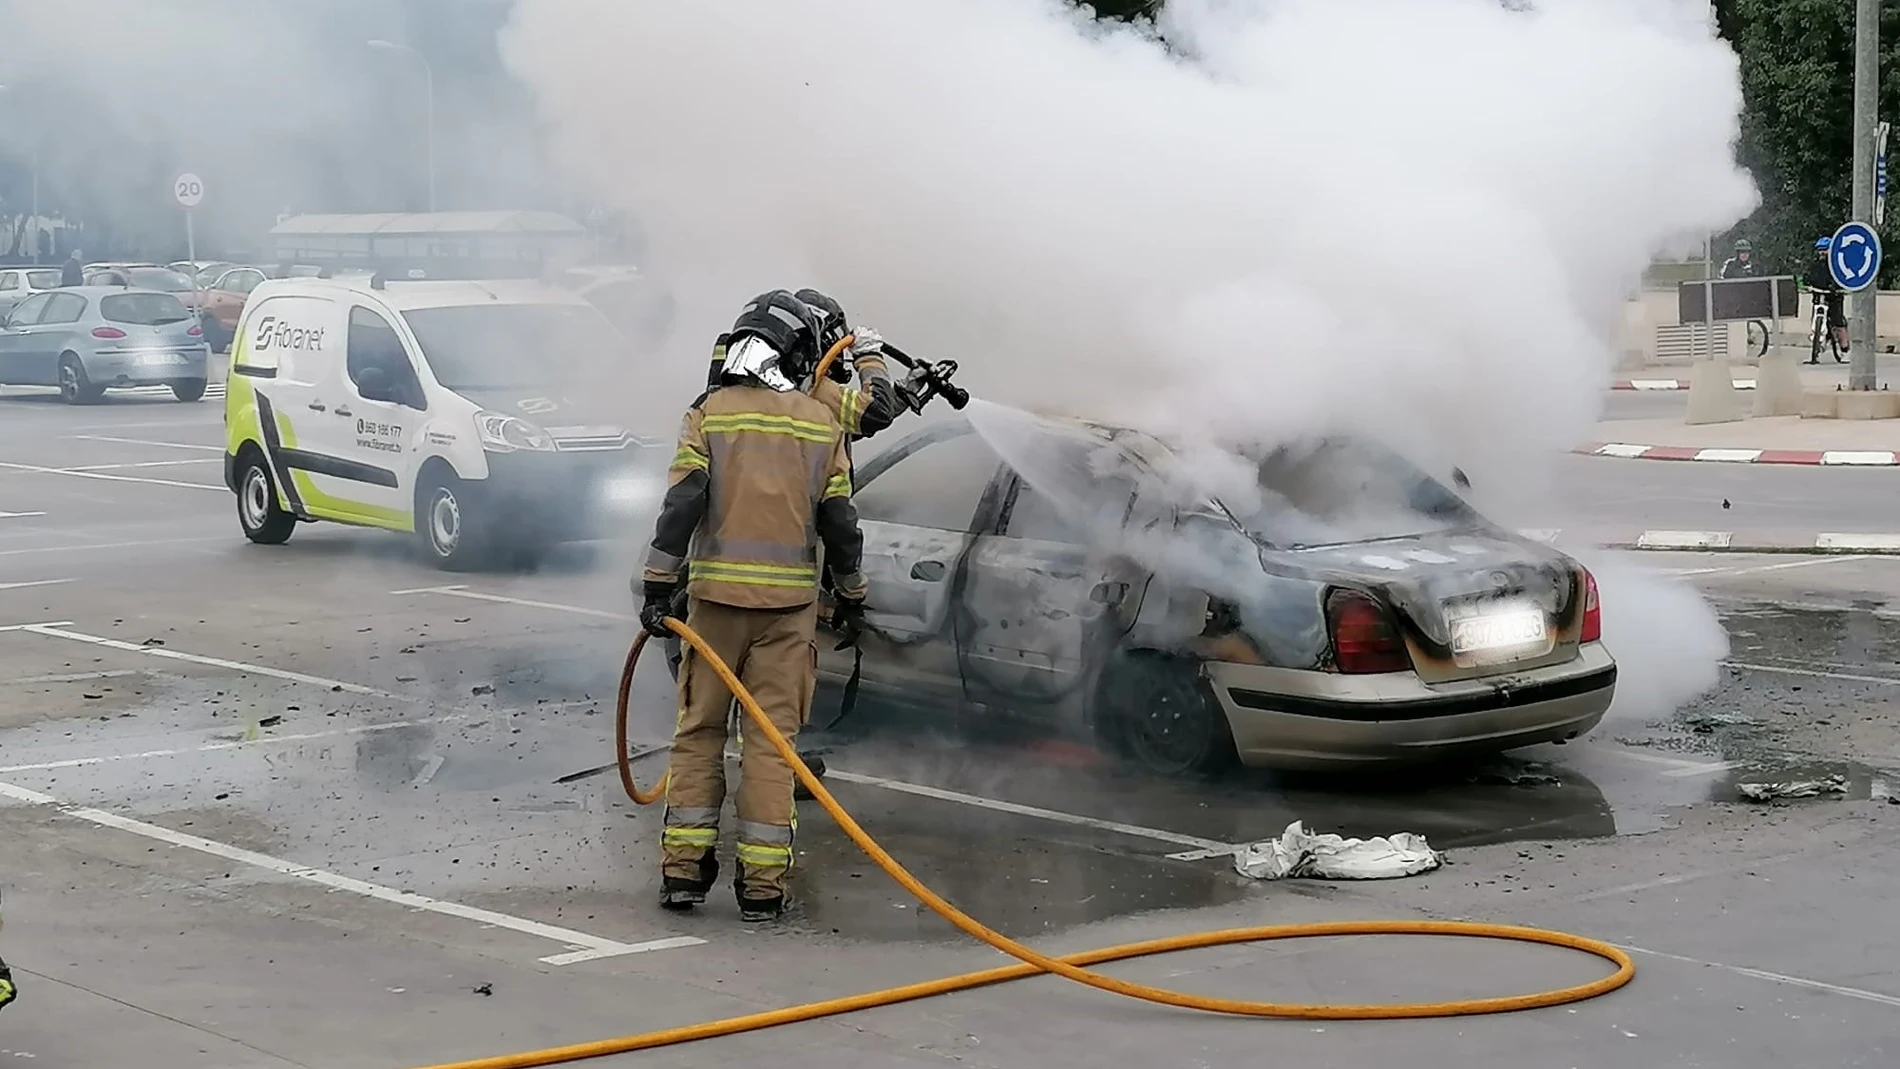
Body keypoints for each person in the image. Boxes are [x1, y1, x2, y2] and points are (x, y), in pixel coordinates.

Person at [638, 289, 869, 922]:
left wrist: (658, 585)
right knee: (772, 747)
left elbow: (682, 505)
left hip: (713, 609)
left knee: (699, 734)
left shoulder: (709, 415)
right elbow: (841, 523)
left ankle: (683, 876)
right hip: (788, 614)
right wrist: (852, 596)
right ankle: (762, 889)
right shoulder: (822, 424)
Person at [1805, 236, 1849, 364]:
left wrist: (1837, 288)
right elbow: (1808, 276)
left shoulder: (1837, 264)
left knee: (1839, 323)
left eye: (1825, 249)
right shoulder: (1815, 264)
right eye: (1820, 250)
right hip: (1819, 297)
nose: (1822, 252)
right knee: (1814, 322)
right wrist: (1807, 284)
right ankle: (1815, 352)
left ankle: (1845, 351)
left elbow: (1843, 277)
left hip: (1834, 297)